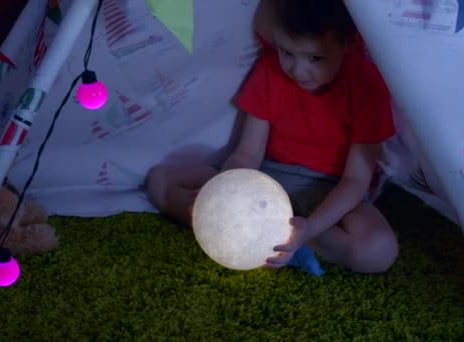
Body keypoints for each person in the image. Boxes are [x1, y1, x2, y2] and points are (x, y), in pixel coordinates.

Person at [146, 0, 398, 274]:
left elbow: (355, 180)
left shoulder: (367, 85)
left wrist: (311, 226)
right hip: (266, 182)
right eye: (286, 52)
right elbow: (247, 154)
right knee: (161, 181)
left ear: (348, 43)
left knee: (378, 251)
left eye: (315, 58)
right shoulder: (269, 71)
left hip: (328, 191)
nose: (298, 71)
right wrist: (224, 191)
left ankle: (290, 238)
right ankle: (271, 234)